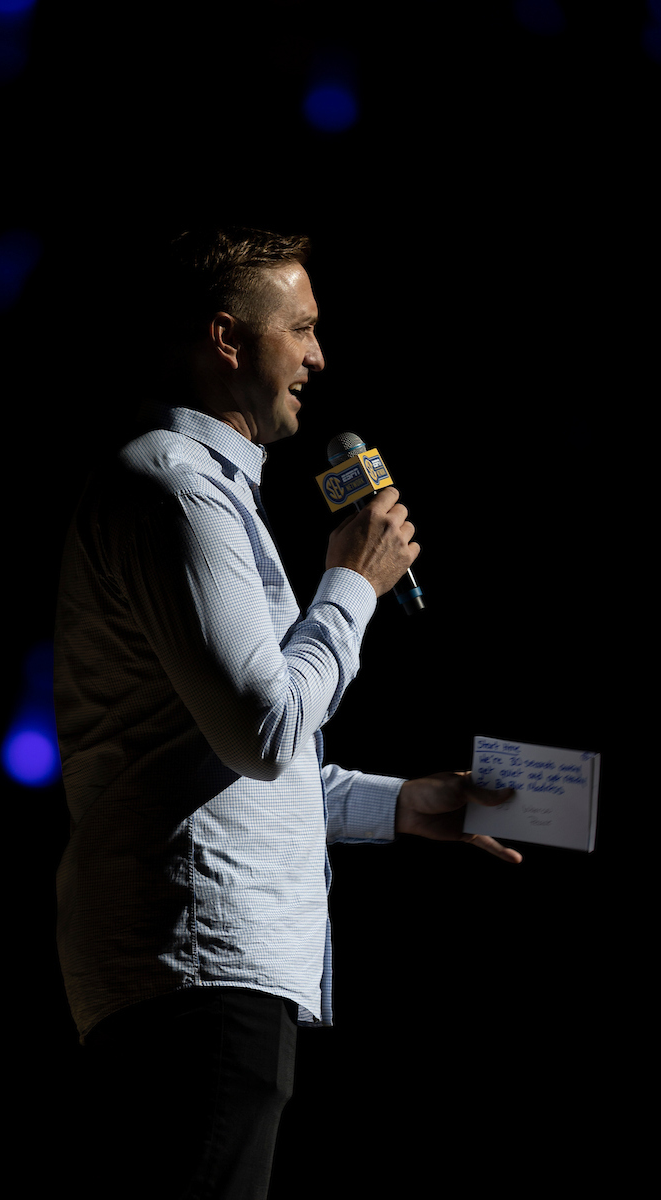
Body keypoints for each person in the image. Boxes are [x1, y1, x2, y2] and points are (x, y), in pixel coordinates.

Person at [53, 227, 521, 1198]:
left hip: (201, 974)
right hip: (196, 971)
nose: (318, 357)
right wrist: (349, 585)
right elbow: (263, 733)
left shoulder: (207, 498)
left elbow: (226, 760)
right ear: (228, 340)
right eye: (300, 330)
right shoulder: (176, 492)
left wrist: (402, 804)